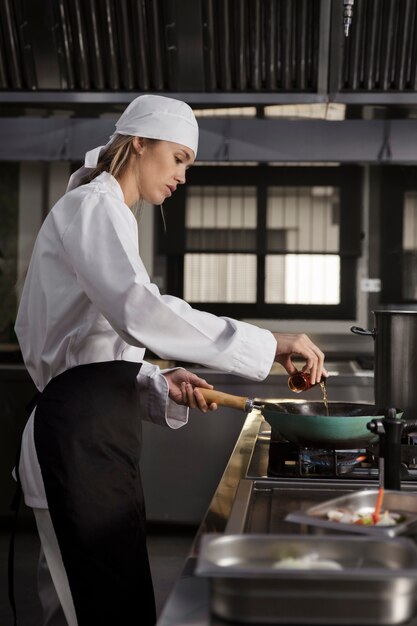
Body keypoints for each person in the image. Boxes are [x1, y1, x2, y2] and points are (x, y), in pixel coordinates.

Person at [14, 94, 326, 626]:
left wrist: (152, 376)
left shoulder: (111, 214)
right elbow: (140, 309)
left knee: (99, 596)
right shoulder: (92, 207)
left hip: (96, 430)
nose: (183, 176)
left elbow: (97, 349)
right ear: (139, 142)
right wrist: (270, 343)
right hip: (76, 435)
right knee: (93, 603)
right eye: (178, 158)